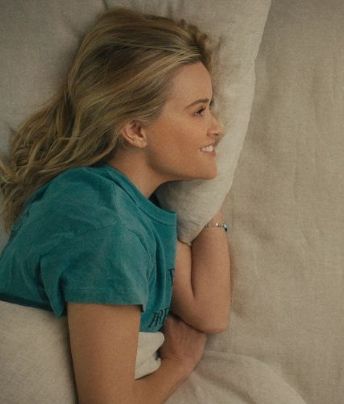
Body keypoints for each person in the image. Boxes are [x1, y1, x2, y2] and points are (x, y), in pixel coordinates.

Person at [0, 8, 231, 402]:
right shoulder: (106, 228)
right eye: (199, 111)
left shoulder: (126, 204)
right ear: (136, 130)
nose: (218, 127)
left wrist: (209, 200)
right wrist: (177, 364)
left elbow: (208, 311)